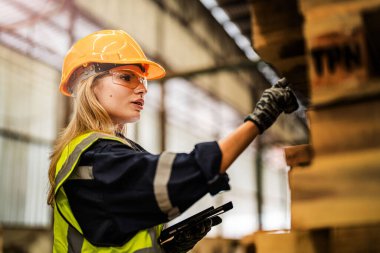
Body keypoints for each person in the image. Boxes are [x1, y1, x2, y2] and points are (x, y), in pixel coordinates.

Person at [47, 30, 298, 253]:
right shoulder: (95, 157)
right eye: (126, 77)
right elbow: (181, 177)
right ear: (89, 85)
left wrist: (167, 247)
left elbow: (112, 241)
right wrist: (258, 120)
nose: (142, 88)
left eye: (142, 80)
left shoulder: (105, 153)